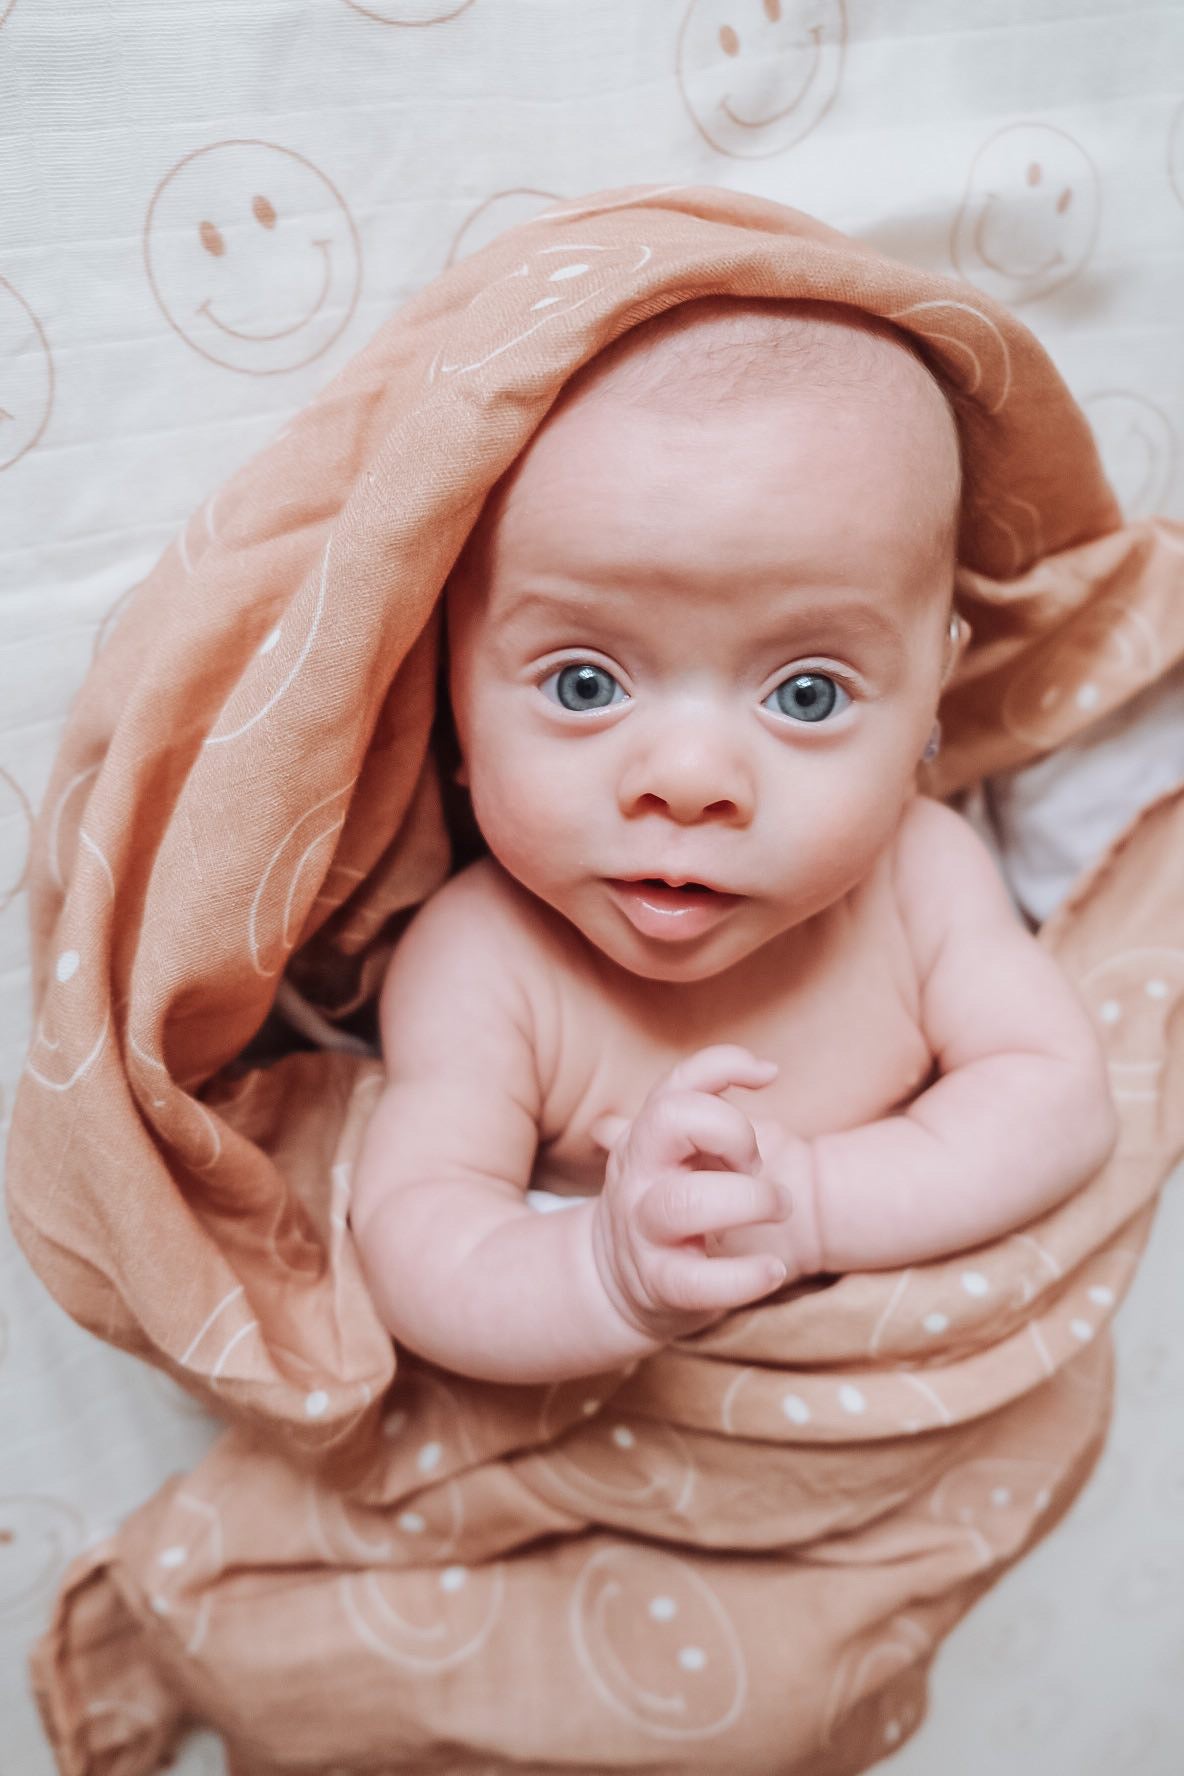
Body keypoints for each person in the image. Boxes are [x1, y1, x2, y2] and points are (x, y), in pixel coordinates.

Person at [349, 296, 1117, 1385]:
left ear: (929, 696)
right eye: (583, 683)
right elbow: (420, 1244)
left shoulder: (921, 876)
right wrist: (604, 1272)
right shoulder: (480, 966)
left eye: (806, 693)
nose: (689, 782)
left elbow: (1057, 1098)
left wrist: (807, 1205)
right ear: (447, 699)